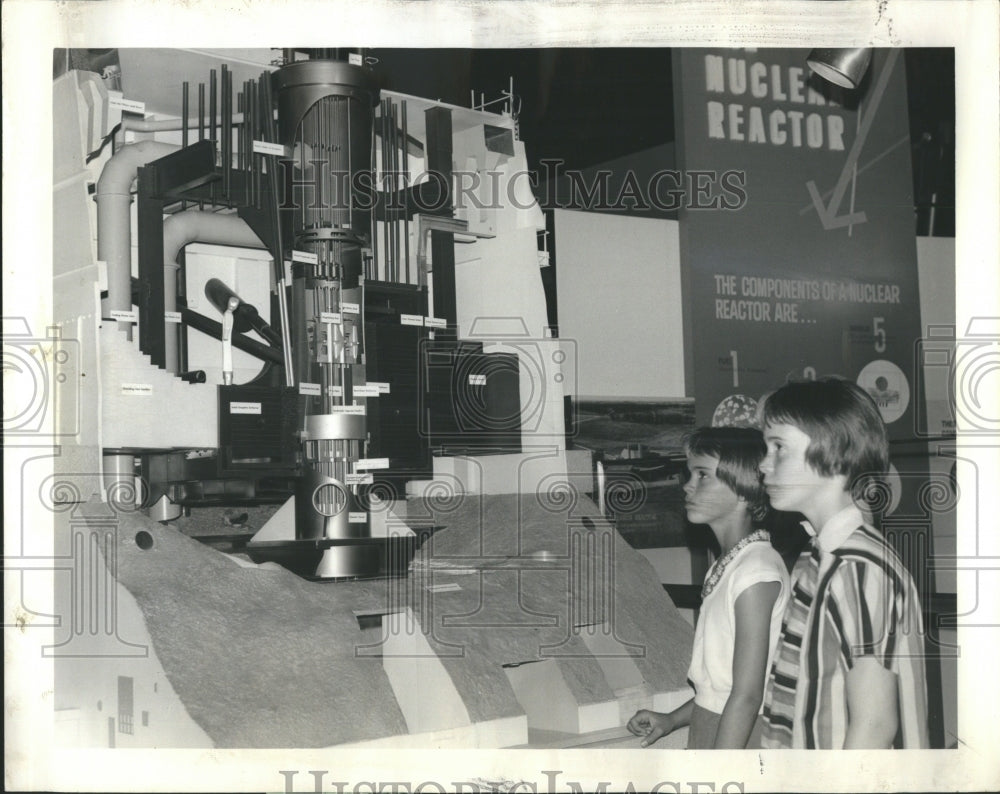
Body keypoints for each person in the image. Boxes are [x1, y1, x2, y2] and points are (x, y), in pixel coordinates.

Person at [758, 377, 929, 749]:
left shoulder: (858, 568)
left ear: (833, 454)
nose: (763, 465)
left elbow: (874, 726)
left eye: (778, 448)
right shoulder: (817, 555)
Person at [627, 427, 790, 748]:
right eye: (690, 474)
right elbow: (719, 689)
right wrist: (672, 719)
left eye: (703, 475)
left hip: (740, 737)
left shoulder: (756, 571)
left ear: (744, 489)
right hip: (713, 723)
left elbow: (747, 695)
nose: (687, 486)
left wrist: (720, 772)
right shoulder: (728, 564)